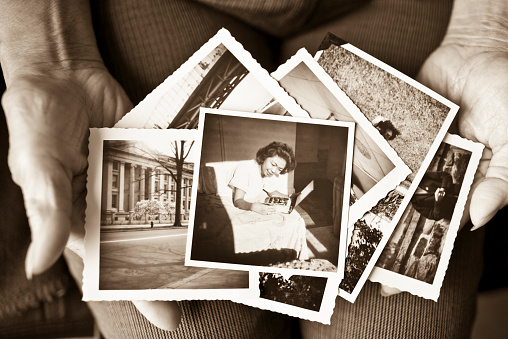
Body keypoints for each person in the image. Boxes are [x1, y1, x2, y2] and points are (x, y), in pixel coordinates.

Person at [1, 0, 507, 337]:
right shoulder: (241, 184)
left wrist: (488, 31)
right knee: (183, 328)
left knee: (400, 324)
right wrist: (49, 60)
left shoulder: (306, 188)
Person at [229, 141, 296, 215]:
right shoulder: (246, 168)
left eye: (279, 169)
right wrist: (253, 207)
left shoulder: (267, 172)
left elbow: (272, 192)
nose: (274, 170)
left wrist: (291, 197)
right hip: (231, 198)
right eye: (273, 164)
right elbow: (238, 201)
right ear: (265, 157)